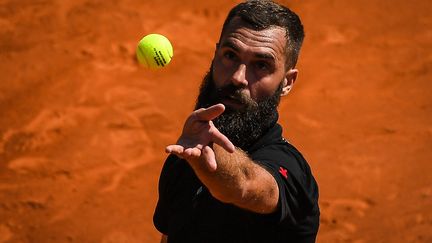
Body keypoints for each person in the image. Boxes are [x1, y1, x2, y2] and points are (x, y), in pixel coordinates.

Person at [153, 0, 319, 242]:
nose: (238, 77)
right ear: (214, 55)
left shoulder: (290, 170)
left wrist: (207, 157)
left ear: (287, 82)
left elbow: (245, 185)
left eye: (261, 65)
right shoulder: (184, 160)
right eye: (230, 55)